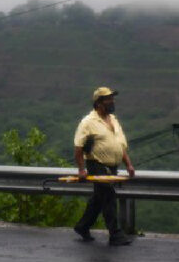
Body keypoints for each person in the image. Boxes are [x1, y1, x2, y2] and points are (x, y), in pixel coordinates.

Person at [73, 87, 135, 246]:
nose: (112, 101)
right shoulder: (88, 122)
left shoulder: (113, 119)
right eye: (108, 99)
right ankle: (115, 234)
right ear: (99, 103)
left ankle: (82, 226)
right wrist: (81, 170)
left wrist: (128, 164)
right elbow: (78, 148)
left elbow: (119, 145)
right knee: (108, 196)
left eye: (112, 98)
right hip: (97, 165)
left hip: (112, 167)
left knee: (99, 199)